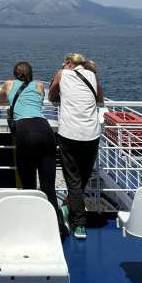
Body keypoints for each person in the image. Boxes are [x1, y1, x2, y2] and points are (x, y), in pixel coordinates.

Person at [0, 61, 67, 238]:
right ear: (31, 73)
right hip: (45, 130)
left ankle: (31, 224)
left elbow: (0, 101)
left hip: (25, 131)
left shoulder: (9, 84)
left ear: (14, 73)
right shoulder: (39, 85)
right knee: (48, 185)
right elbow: (39, 101)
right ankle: (56, 226)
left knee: (28, 185)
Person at [48, 53, 103, 240]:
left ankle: (78, 223)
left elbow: (51, 95)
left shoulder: (62, 73)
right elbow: (100, 99)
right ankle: (68, 208)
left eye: (64, 63)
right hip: (91, 134)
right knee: (82, 178)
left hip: (69, 134)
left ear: (69, 63)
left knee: (73, 180)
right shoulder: (93, 76)